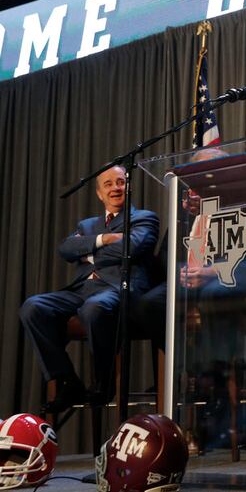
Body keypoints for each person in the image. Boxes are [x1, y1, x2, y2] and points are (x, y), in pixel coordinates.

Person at [19, 165, 159, 412]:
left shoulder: (144, 218)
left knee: (94, 308)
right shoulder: (87, 225)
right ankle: (66, 379)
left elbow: (132, 248)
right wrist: (101, 240)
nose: (115, 188)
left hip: (119, 289)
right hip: (82, 290)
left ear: (129, 186)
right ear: (99, 194)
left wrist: (89, 254)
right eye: (108, 184)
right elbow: (66, 249)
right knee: (33, 307)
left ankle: (103, 383)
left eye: (120, 182)